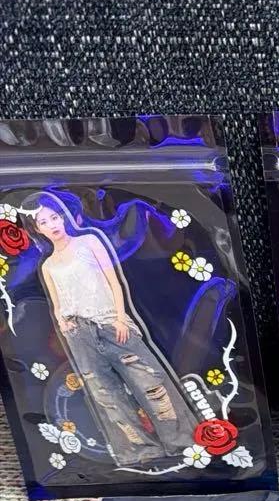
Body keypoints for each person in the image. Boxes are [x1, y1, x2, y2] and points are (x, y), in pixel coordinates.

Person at [27, 191, 197, 465]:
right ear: (37, 229)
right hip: (78, 334)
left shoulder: (89, 242)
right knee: (106, 395)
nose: (52, 225)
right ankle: (138, 451)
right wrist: (64, 324)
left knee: (150, 381)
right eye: (43, 222)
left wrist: (120, 318)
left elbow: (113, 282)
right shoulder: (48, 266)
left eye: (54, 217)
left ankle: (181, 440)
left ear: (65, 217)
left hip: (109, 322)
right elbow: (57, 303)